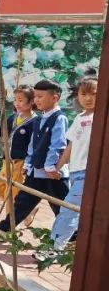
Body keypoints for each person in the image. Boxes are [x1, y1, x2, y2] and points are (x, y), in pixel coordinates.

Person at [0, 80, 70, 233]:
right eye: (35, 96)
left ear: (54, 98)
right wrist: (28, 163)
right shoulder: (39, 118)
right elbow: (32, 144)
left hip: (52, 174)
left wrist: (51, 165)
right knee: (23, 201)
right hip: (36, 171)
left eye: (40, 96)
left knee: (61, 206)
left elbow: (58, 144)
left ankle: (72, 236)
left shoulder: (59, 118)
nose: (36, 100)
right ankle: (5, 228)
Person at [50, 75, 97, 247]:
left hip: (89, 172)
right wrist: (58, 166)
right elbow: (70, 145)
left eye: (93, 93)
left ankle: (54, 248)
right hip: (75, 171)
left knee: (69, 210)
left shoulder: (100, 118)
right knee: (75, 211)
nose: (88, 98)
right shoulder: (79, 118)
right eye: (83, 94)